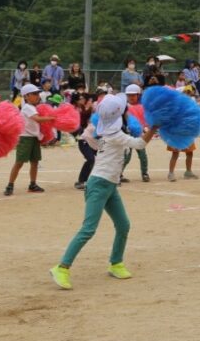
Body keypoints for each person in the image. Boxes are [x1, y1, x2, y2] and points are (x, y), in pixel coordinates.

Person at [49, 94, 157, 290]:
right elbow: (140, 144)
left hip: (109, 185)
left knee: (123, 225)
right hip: (99, 184)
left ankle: (116, 263)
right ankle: (62, 267)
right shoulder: (115, 135)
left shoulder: (110, 131)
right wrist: (155, 127)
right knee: (88, 229)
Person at [5, 84, 55, 196]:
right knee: (19, 162)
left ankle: (32, 184)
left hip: (33, 137)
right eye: (34, 94)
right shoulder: (27, 107)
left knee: (35, 162)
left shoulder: (33, 107)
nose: (37, 96)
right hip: (25, 138)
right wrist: (52, 118)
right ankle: (10, 185)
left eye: (38, 93)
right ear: (26, 96)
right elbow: (37, 119)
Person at [119, 85, 149, 182]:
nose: (131, 97)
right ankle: (119, 174)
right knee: (127, 156)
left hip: (139, 134)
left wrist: (145, 128)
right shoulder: (125, 107)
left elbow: (144, 120)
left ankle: (144, 173)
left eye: (133, 95)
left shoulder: (142, 107)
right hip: (128, 134)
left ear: (138, 95)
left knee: (143, 155)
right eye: (129, 95)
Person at [74, 91, 101, 189]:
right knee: (90, 159)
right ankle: (81, 181)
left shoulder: (104, 120)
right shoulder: (94, 118)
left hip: (94, 143)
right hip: (84, 141)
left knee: (99, 160)